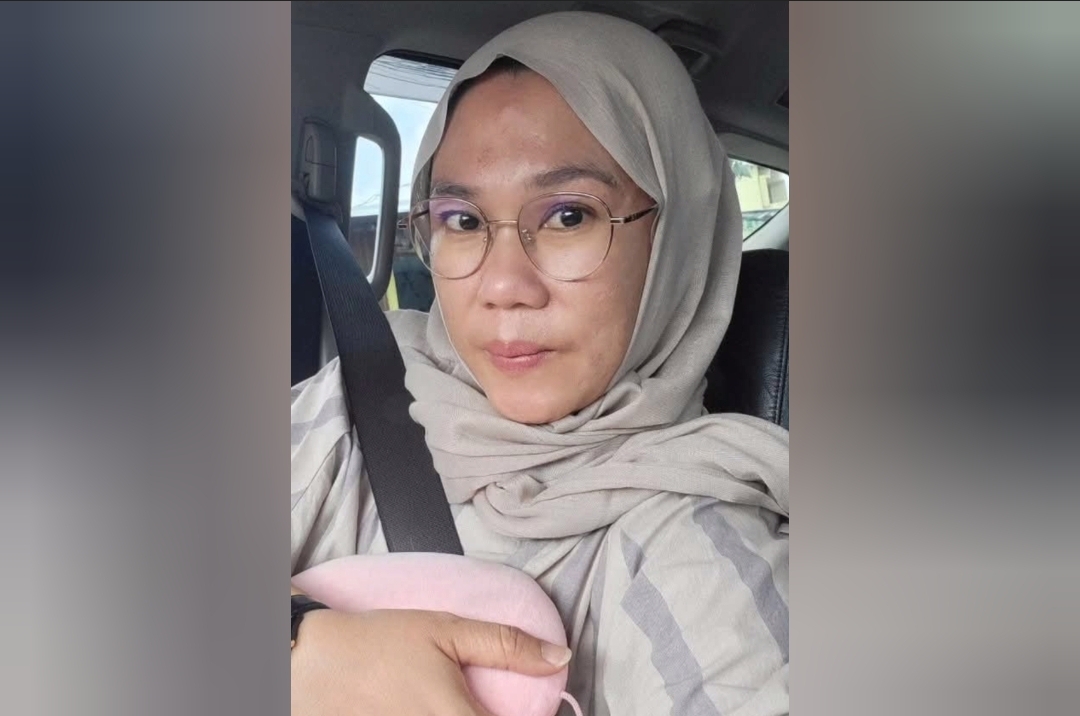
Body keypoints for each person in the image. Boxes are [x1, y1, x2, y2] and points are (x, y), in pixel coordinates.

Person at [290, 10, 789, 716]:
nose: (503, 286)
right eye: (463, 221)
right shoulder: (359, 398)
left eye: (568, 216)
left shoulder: (699, 552)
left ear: (675, 240)